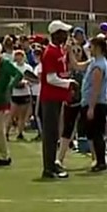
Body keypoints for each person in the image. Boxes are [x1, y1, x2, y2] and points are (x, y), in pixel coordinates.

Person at [39, 20, 77, 179]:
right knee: (50, 133)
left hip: (57, 97)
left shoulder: (59, 50)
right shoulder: (50, 52)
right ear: (56, 34)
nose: (66, 35)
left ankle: (52, 163)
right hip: (50, 97)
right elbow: (51, 78)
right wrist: (69, 83)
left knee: (55, 132)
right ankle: (48, 168)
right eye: (63, 32)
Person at [80, 36, 107, 171]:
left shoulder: (99, 65)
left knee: (97, 133)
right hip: (90, 102)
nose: (89, 49)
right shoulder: (94, 61)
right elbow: (77, 66)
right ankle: (98, 160)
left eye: (91, 47)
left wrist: (91, 107)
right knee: (92, 133)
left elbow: (96, 88)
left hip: (97, 104)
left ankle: (101, 161)